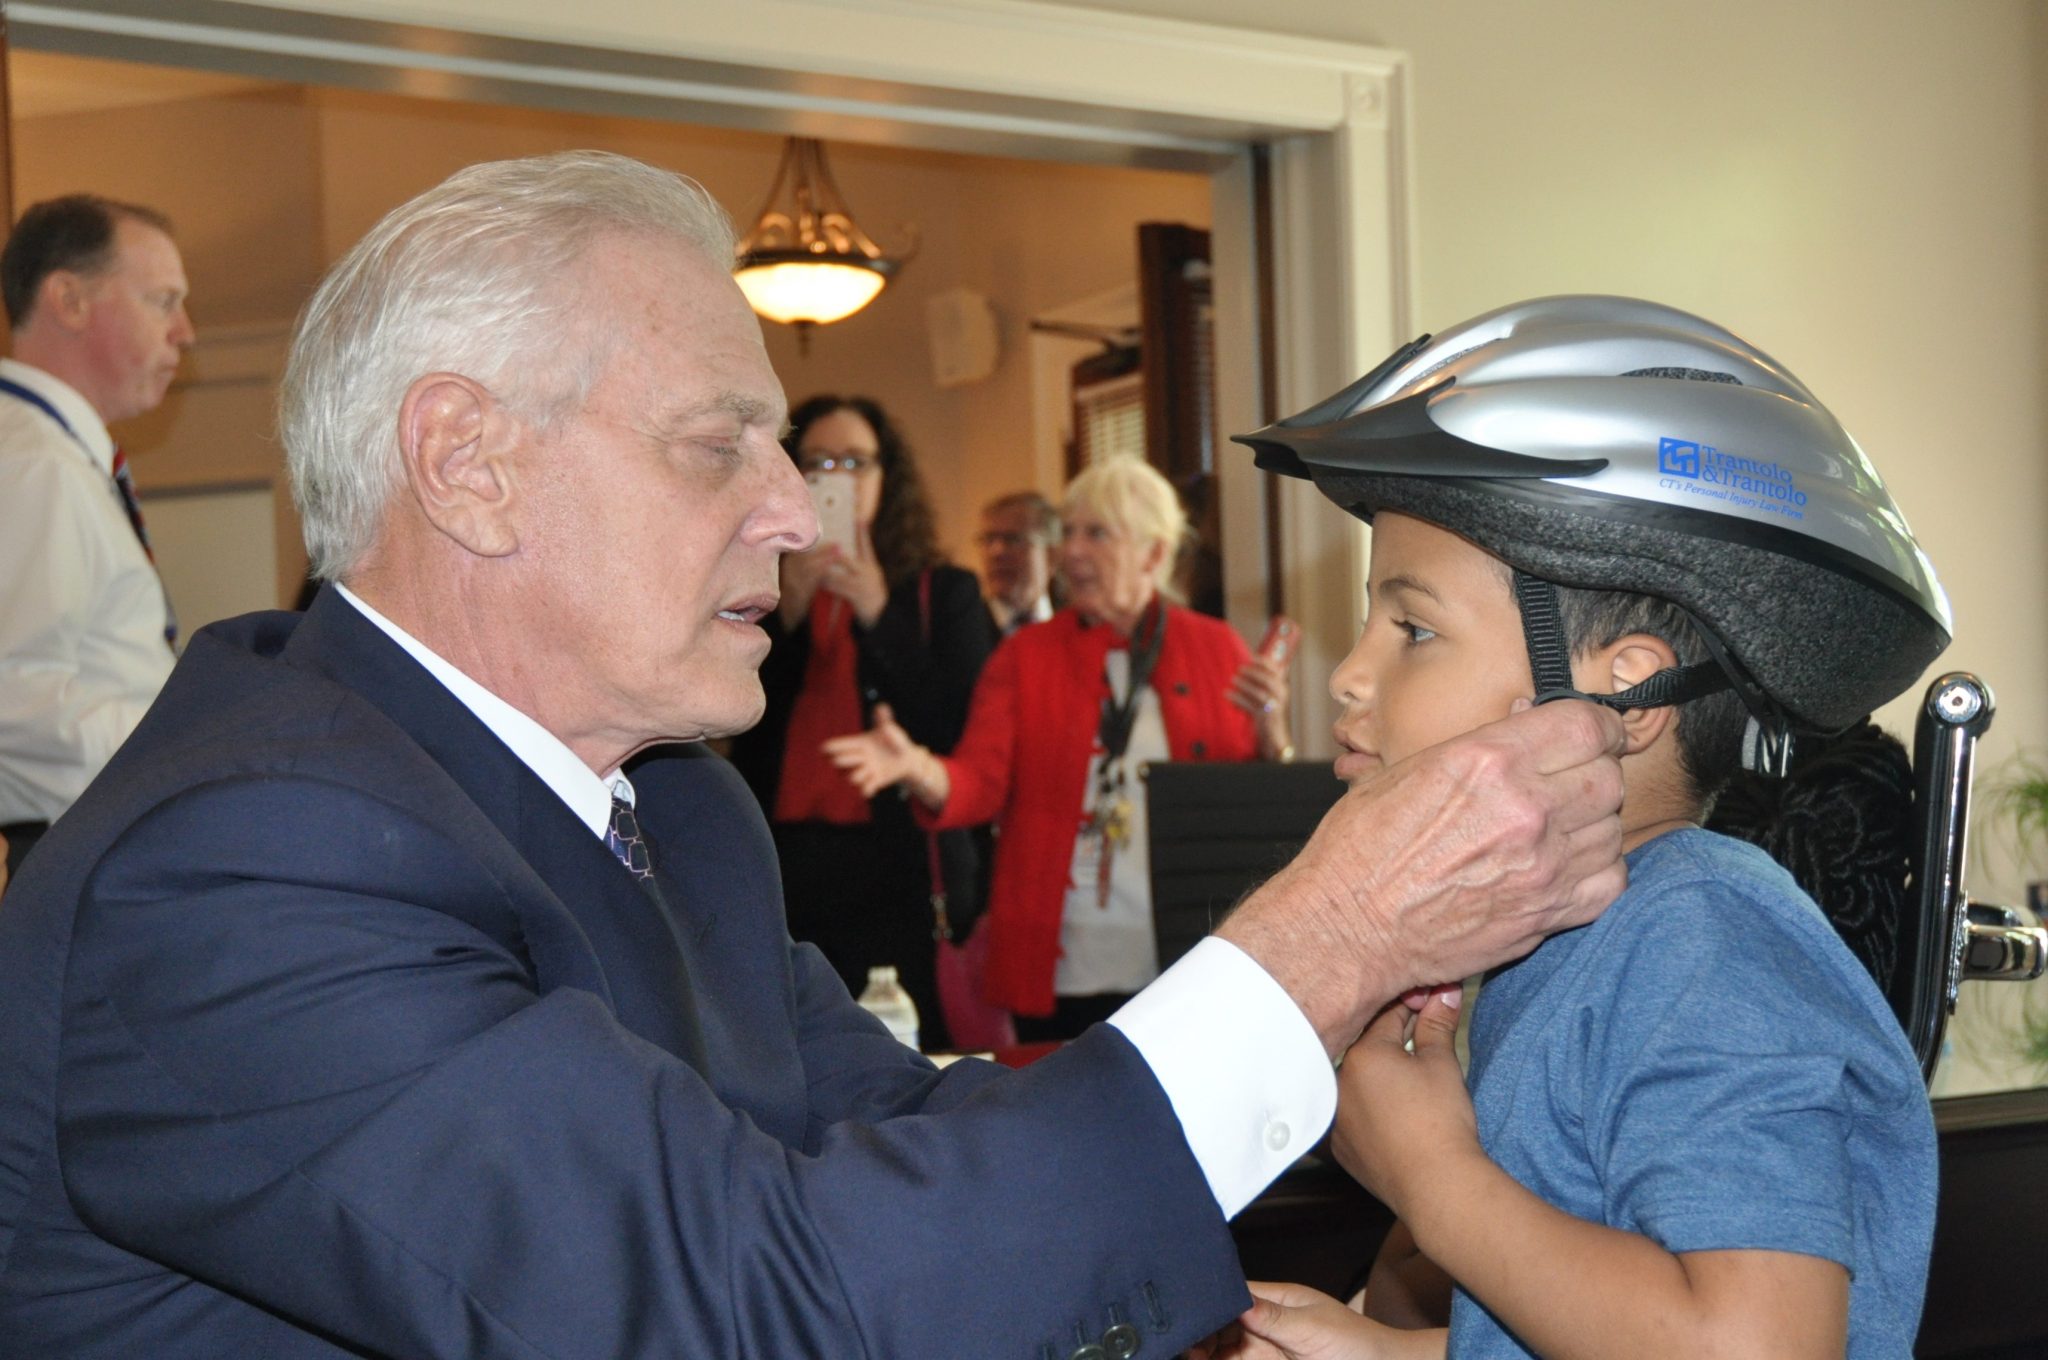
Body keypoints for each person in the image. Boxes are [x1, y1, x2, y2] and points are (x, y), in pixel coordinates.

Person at [0, 155, 1630, 1358]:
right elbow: (757, 1305)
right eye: (722, 441)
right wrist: (1326, 937)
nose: (793, 515)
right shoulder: (246, 863)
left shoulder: (678, 811)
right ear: (467, 466)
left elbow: (905, 1145)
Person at [1205, 295, 1949, 1359]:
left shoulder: (1701, 940)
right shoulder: (1559, 948)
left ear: (1623, 701)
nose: (1349, 676)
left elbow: (1753, 1345)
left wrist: (1432, 1173)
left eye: (1412, 628)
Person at [827, 457, 1296, 1041]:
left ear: (1154, 553)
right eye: (1066, 532)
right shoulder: (1025, 658)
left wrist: (1273, 731)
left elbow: (1250, 813)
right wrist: (918, 767)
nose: (1071, 551)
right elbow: (978, 783)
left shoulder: (1217, 649)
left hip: (1187, 956)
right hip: (1060, 962)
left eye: (1096, 533)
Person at [727, 394, 995, 1047]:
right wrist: (786, 619)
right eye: (820, 462)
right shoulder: (758, 583)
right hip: (788, 866)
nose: (839, 479)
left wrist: (879, 611)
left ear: (885, 477)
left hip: (900, 866)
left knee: (909, 1052)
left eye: (857, 462)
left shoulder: (944, 593)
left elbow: (958, 728)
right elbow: (739, 731)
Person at [0, 194, 193, 878]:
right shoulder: (33, 465)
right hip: (81, 848)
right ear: (70, 301)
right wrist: (189, 748)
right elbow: (13, 702)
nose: (186, 333)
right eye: (163, 301)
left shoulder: (56, 456)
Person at [979, 488, 1060, 636]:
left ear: (1051, 556)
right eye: (989, 540)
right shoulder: (963, 628)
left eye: (1013, 539)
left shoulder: (1078, 624)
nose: (997, 552)